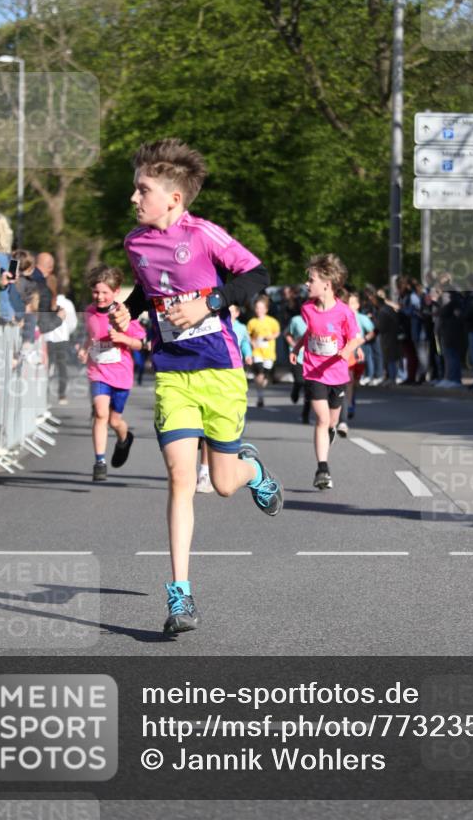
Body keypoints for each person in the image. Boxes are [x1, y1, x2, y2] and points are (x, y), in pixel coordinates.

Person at [112, 137, 283, 637]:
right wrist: (133, 309)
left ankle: (253, 470)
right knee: (181, 480)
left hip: (220, 371)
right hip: (172, 373)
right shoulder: (134, 243)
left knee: (224, 484)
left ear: (174, 198)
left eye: (142, 190)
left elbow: (258, 274)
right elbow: (149, 287)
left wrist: (210, 305)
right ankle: (180, 595)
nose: (134, 198)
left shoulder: (205, 234)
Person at [290, 254, 362, 490]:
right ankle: (323, 469)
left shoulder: (343, 312)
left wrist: (346, 351)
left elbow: (356, 338)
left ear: (327, 284)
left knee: (331, 423)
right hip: (314, 371)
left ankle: (324, 459)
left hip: (338, 374)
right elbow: (311, 332)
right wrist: (298, 347)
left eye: (311, 280)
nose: (307, 284)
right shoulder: (307, 309)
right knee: (322, 420)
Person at [77, 265, 145, 482]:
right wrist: (84, 348)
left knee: (115, 421)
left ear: (115, 292)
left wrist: (124, 339)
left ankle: (124, 438)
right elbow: (91, 336)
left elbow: (140, 343)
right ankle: (100, 462)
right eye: (96, 292)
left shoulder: (125, 313)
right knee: (100, 414)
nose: (100, 296)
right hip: (98, 372)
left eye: (105, 292)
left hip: (121, 374)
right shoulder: (89, 312)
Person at [196, 305, 253, 495]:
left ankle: (219, 464)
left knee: (216, 431)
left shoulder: (239, 328)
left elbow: (244, 343)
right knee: (204, 429)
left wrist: (248, 354)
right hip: (200, 373)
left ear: (236, 312)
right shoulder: (205, 319)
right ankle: (204, 471)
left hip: (229, 374)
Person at [336, 291, 372, 434]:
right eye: (347, 303)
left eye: (352, 303)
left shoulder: (361, 318)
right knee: (349, 381)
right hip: (349, 352)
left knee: (355, 382)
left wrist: (364, 340)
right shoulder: (343, 315)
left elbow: (373, 330)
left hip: (360, 352)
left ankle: (351, 400)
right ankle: (349, 404)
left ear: (357, 305)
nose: (349, 306)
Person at [246, 294, 280, 407]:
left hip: (269, 352)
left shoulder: (272, 321)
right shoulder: (252, 322)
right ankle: (260, 397)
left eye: (261, 308)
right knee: (259, 372)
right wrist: (252, 342)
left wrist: (272, 337)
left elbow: (277, 332)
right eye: (257, 308)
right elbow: (248, 335)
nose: (259, 310)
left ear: (266, 309)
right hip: (257, 351)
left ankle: (263, 382)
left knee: (265, 374)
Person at [44, 291, 78, 403]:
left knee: (47, 367)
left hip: (48, 337)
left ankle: (45, 395)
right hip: (62, 339)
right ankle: (62, 395)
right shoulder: (67, 303)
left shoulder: (46, 300)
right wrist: (66, 332)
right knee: (62, 367)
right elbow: (72, 322)